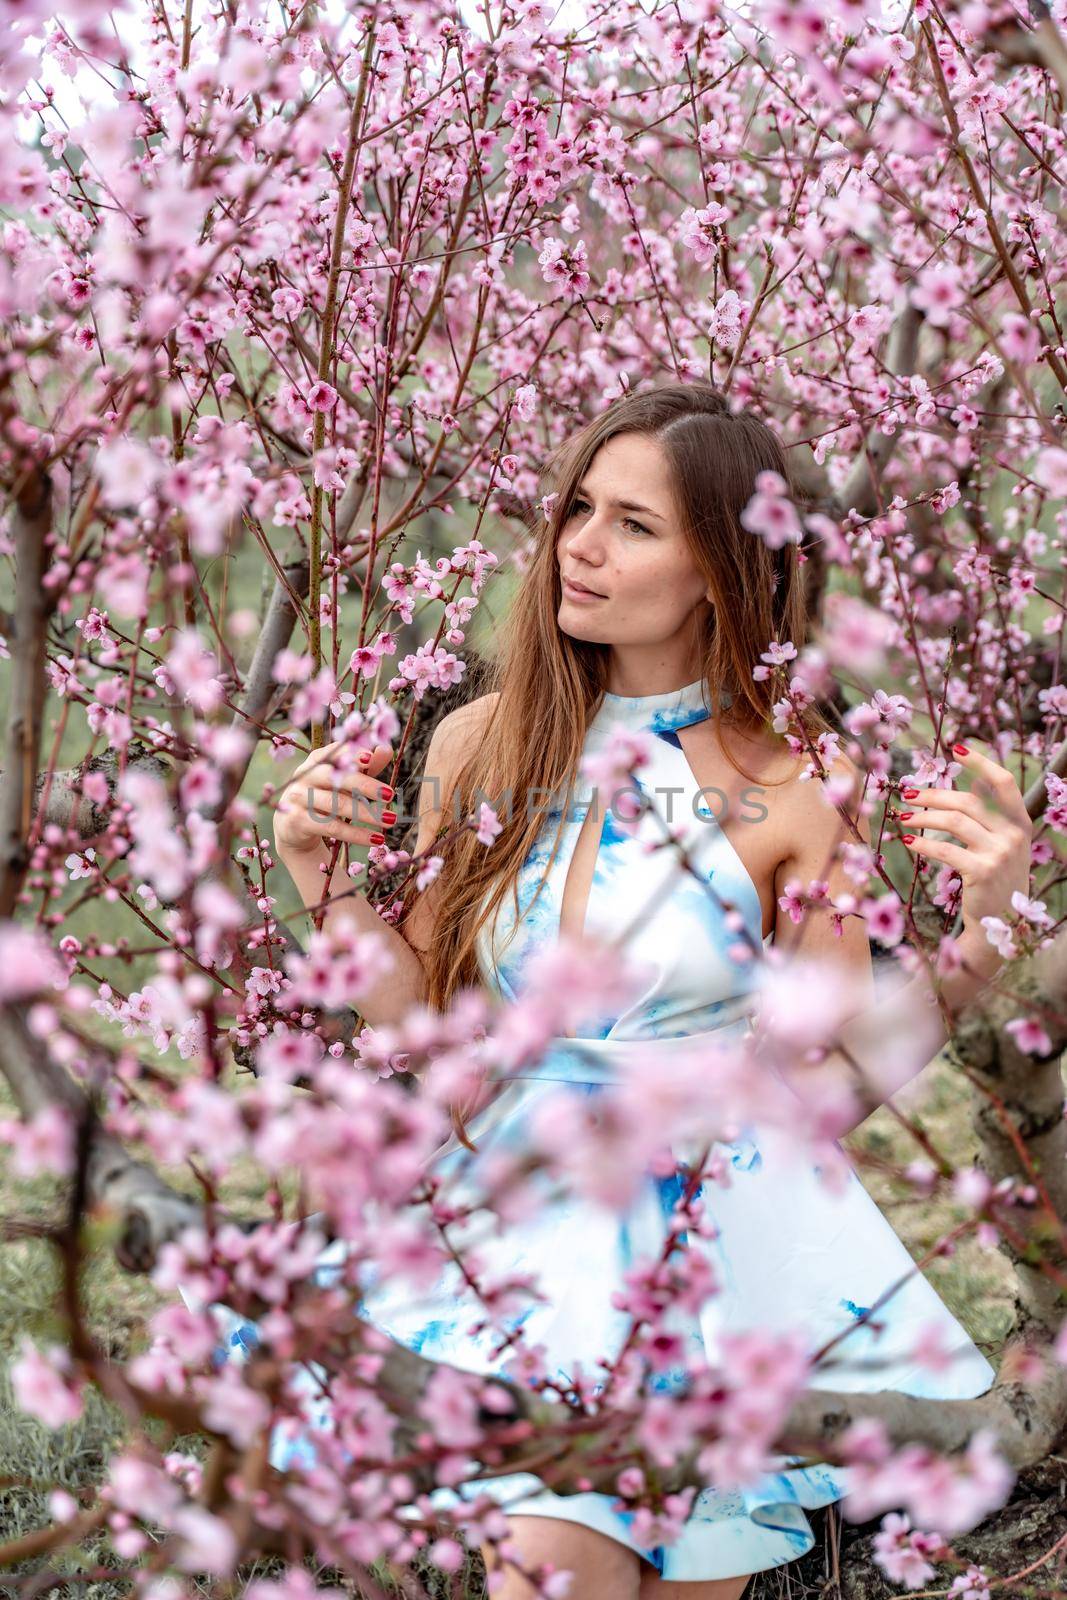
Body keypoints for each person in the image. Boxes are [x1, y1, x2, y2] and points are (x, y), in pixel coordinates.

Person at [270, 383, 1033, 1598]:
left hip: (703, 1257)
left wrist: (989, 930)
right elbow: (426, 1021)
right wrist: (320, 881)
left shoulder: (792, 788)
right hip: (512, 1235)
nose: (579, 544)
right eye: (578, 506)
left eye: (632, 524)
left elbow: (828, 1080)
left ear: (720, 571)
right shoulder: (481, 744)